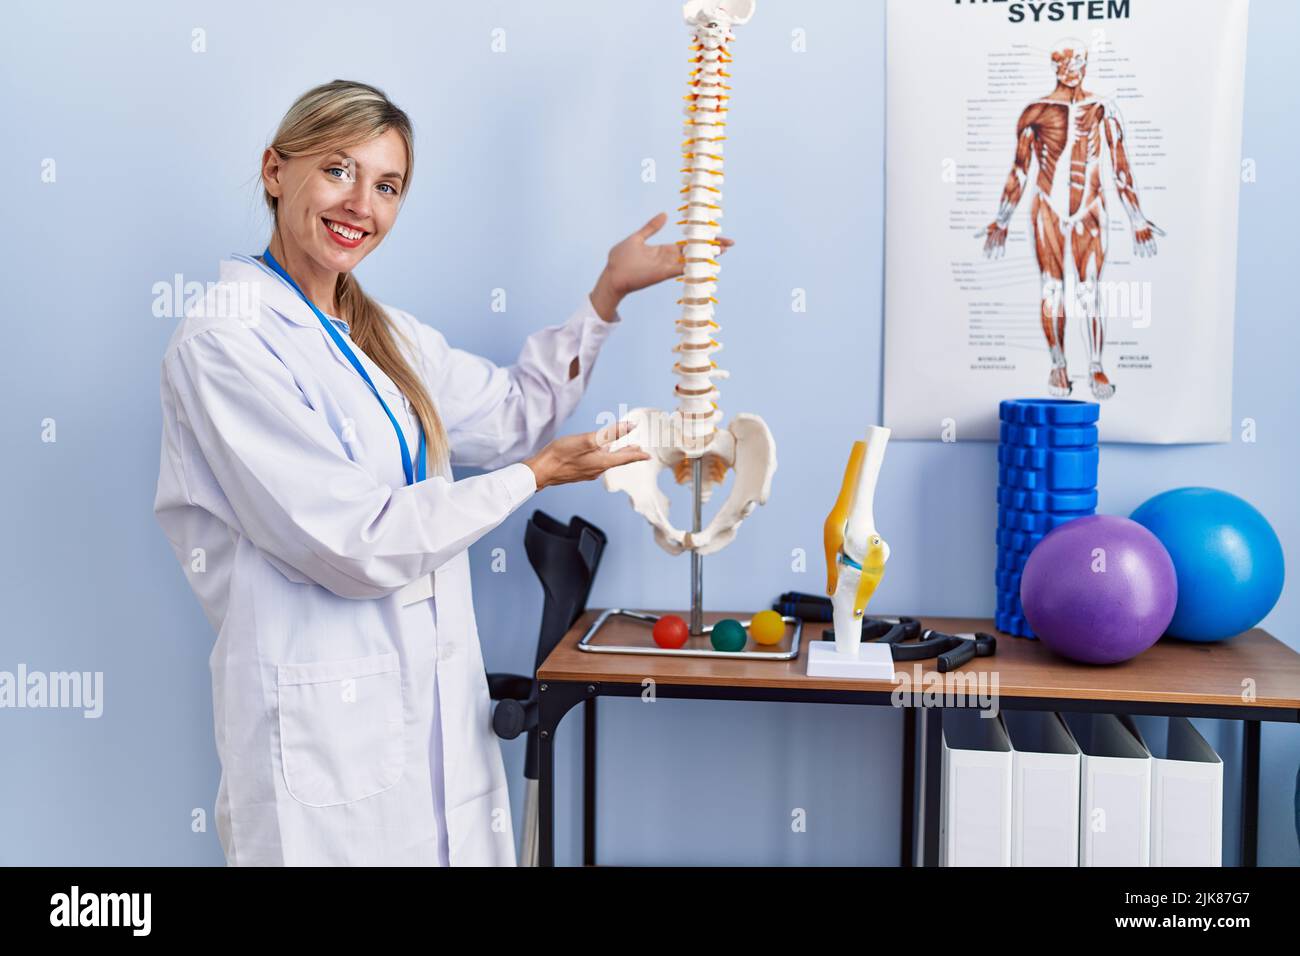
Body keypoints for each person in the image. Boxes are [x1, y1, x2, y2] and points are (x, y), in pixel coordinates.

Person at [152, 79, 731, 865]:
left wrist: (607, 295)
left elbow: (514, 413)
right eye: (338, 170)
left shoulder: (379, 332)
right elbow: (354, 544)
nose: (361, 203)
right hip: (322, 742)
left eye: (386, 186)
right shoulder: (226, 341)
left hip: (434, 724)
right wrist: (534, 477)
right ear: (274, 171)